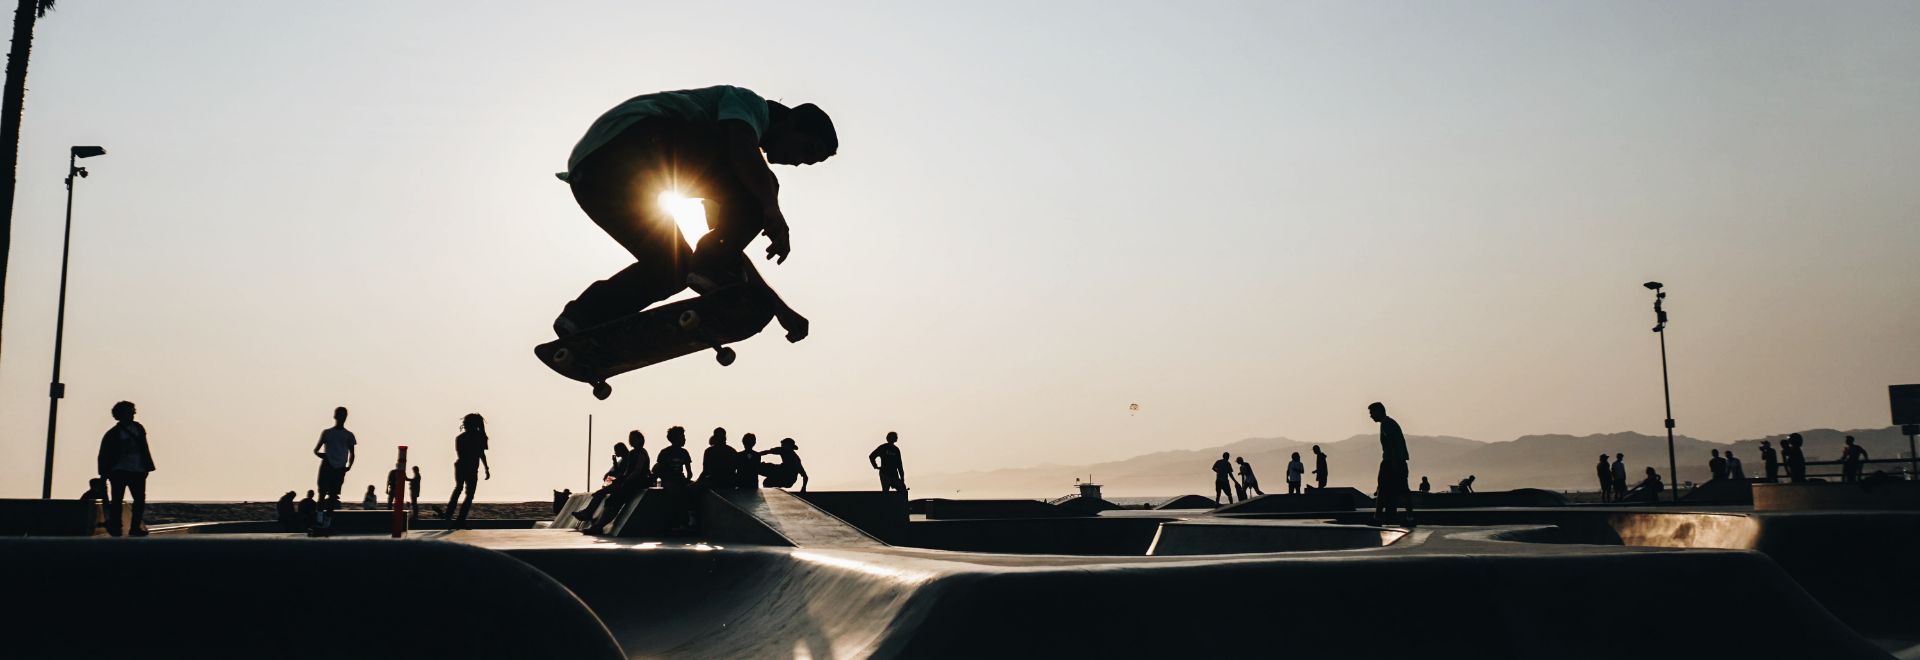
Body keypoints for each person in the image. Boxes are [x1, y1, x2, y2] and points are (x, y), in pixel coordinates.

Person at [550, 85, 838, 346]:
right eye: (806, 149)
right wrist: (771, 206)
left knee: (672, 267)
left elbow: (726, 248)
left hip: (592, 178)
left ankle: (583, 317)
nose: (799, 161)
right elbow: (741, 148)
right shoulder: (749, 104)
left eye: (807, 162)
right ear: (791, 121)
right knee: (760, 184)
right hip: (634, 137)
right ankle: (709, 269)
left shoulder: (726, 175)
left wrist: (778, 309)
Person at [96, 401, 156, 537]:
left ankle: (134, 528)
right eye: (130, 411)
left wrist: (146, 467)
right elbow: (104, 454)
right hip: (119, 470)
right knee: (117, 500)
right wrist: (103, 473)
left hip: (138, 470)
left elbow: (144, 449)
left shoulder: (138, 428)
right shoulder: (113, 434)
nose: (134, 413)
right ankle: (117, 526)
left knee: (139, 500)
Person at [579, 430, 657, 534]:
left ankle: (598, 525)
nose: (631, 440)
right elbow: (627, 471)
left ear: (640, 440)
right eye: (630, 438)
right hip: (628, 481)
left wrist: (625, 481)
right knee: (609, 499)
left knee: (615, 500)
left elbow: (637, 471)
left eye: (634, 438)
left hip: (636, 482)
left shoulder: (641, 453)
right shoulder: (632, 453)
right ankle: (596, 522)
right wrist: (621, 479)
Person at [1369, 402, 1413, 524]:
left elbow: (1392, 444)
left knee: (1384, 489)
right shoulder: (1387, 423)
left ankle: (1378, 517)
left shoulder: (1387, 424)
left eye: (1372, 413)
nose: (1371, 416)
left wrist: (1394, 463)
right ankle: (1408, 517)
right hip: (1396, 460)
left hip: (1392, 461)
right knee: (1401, 490)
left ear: (1379, 411)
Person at [445, 413, 492, 524]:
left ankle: (451, 515)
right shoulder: (479, 437)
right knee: (467, 493)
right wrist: (486, 468)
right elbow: (481, 454)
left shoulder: (461, 438)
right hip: (468, 467)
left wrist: (486, 468)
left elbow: (480, 454)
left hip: (462, 466)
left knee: (460, 489)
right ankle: (456, 517)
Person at [311, 407, 356, 507]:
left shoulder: (349, 435)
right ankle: (320, 518)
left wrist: (349, 466)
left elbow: (352, 453)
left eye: (343, 416)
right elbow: (316, 450)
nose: (341, 418)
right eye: (340, 415)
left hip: (339, 467)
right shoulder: (327, 433)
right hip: (329, 465)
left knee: (333, 495)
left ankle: (326, 519)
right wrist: (325, 456)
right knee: (323, 493)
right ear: (335, 416)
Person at [653, 427, 696, 531]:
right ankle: (676, 523)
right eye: (682, 437)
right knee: (675, 495)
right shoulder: (665, 452)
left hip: (680, 480)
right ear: (675, 438)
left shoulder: (684, 452)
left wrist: (687, 481)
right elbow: (658, 469)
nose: (684, 439)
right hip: (669, 481)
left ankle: (687, 521)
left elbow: (689, 473)